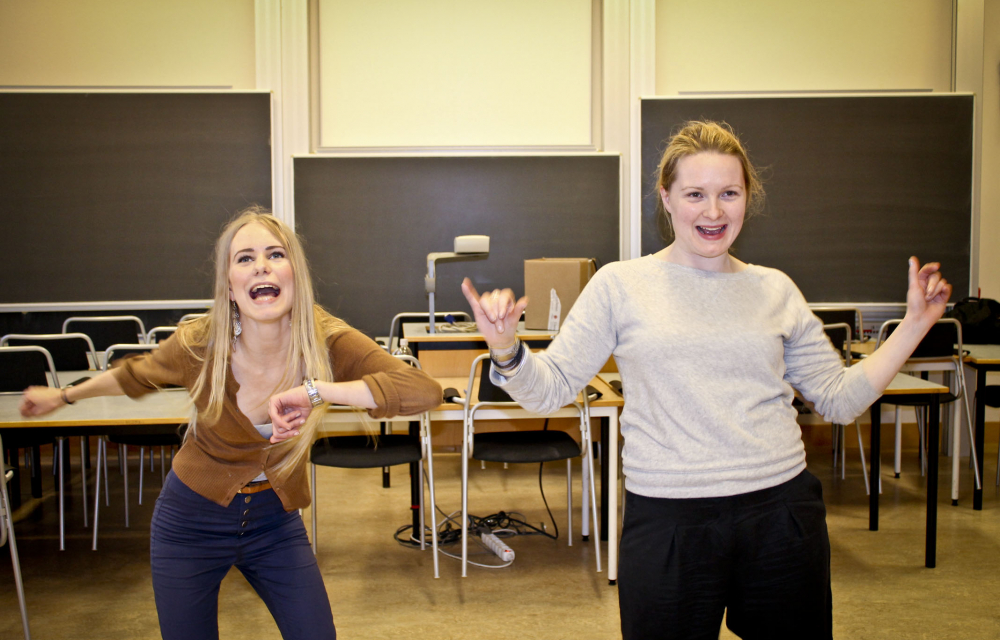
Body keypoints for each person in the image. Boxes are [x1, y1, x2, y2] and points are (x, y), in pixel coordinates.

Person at [461, 121, 951, 640]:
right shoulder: (620, 286)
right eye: (695, 194)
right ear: (666, 198)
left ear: (747, 198)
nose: (713, 212)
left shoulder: (775, 289)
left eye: (729, 194)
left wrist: (914, 324)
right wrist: (507, 349)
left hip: (780, 514)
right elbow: (551, 388)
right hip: (669, 520)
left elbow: (837, 399)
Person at [20, 207, 442, 640]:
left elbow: (423, 391)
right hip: (189, 523)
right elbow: (134, 375)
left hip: (275, 523)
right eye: (245, 258)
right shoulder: (200, 342)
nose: (261, 265)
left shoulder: (325, 339)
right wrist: (64, 396)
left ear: (296, 273)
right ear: (228, 284)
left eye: (275, 254)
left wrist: (317, 391)